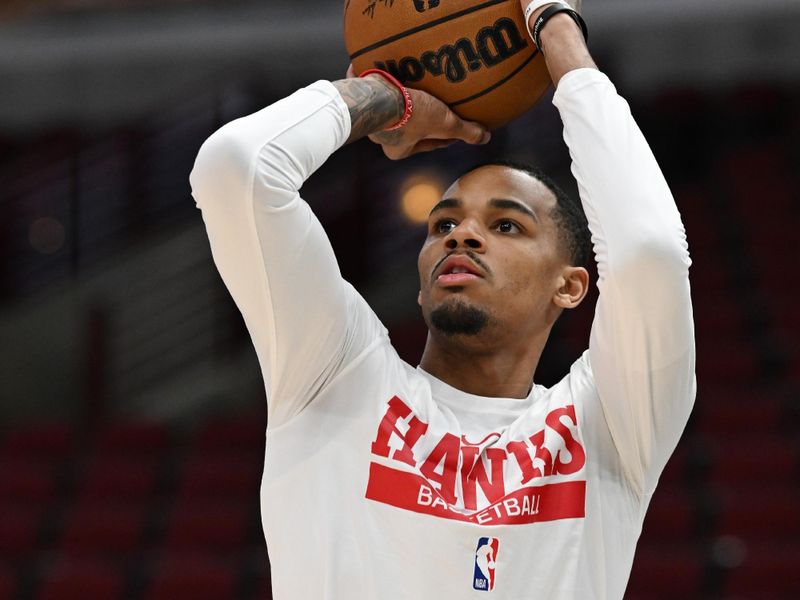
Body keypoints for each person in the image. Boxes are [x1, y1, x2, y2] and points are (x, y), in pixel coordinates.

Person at [189, 0, 696, 597]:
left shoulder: (610, 425)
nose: (462, 234)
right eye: (442, 225)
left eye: (507, 225)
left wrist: (553, 24)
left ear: (570, 284)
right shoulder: (337, 374)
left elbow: (650, 250)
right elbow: (236, 168)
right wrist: (383, 98)